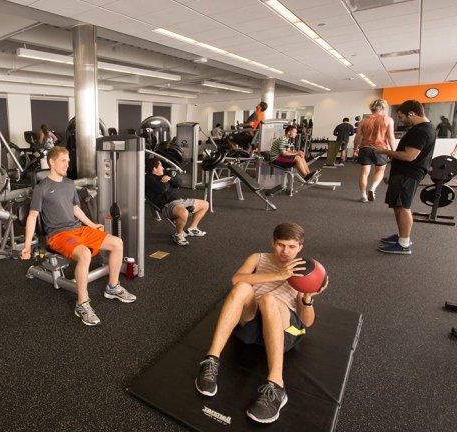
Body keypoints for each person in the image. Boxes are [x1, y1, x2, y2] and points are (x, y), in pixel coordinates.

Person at [195, 222, 328, 424]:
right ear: (272, 243)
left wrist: (308, 297)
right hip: (251, 324)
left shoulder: (302, 270)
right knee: (241, 288)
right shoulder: (258, 258)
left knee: (268, 300)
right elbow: (235, 280)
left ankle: (277, 386)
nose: (285, 251)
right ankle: (211, 360)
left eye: (292, 246)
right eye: (281, 245)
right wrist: (277, 275)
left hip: (283, 328)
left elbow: (307, 322)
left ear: (300, 247)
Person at [20, 146, 136, 326]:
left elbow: (75, 209)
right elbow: (32, 216)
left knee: (117, 243)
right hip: (58, 235)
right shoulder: (41, 188)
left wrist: (92, 225)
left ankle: (112, 287)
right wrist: (27, 245)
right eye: (63, 161)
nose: (67, 164)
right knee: (84, 254)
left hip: (78, 229)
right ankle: (82, 304)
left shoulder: (68, 183)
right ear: (52, 162)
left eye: (68, 160)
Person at [374, 100, 436, 255]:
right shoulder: (425, 127)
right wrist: (393, 159)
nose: (401, 120)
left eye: (402, 117)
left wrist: (385, 152)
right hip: (405, 172)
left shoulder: (420, 131)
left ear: (411, 114)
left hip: (408, 174)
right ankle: (402, 235)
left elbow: (409, 156)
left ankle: (404, 244)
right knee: (398, 205)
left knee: (403, 208)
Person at [145, 158, 209, 246]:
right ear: (154, 169)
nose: (163, 168)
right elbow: (162, 189)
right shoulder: (148, 179)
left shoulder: (164, 176)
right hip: (166, 205)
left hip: (179, 201)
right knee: (184, 213)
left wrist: (170, 179)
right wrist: (167, 182)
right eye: (160, 166)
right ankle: (178, 235)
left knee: (205, 204)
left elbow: (179, 183)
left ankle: (192, 228)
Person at [353, 99, 395, 202]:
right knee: (380, 170)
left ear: (372, 108)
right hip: (380, 149)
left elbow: (357, 138)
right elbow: (391, 137)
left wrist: (355, 149)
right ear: (383, 108)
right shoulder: (388, 120)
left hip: (365, 148)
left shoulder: (363, 121)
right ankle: (372, 188)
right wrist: (394, 152)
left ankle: (363, 195)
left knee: (364, 173)